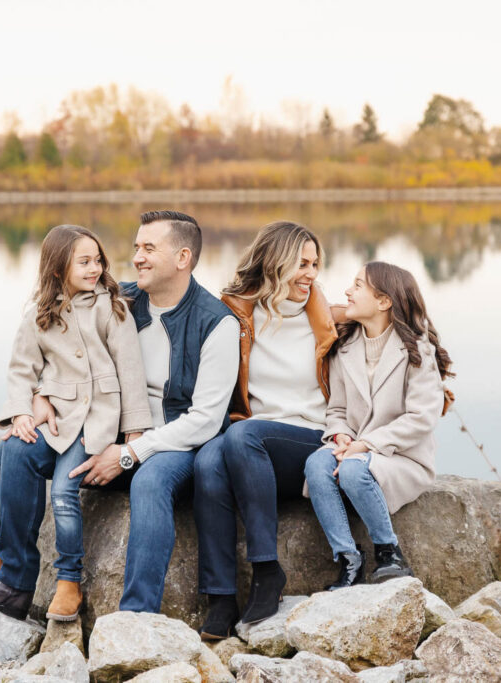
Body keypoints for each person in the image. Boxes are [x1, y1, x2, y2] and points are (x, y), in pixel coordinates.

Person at [0, 224, 151, 620]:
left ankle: (68, 581)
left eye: (98, 260)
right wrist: (22, 410)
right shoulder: (41, 312)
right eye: (84, 262)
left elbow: (131, 372)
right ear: (57, 270)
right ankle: (12, 579)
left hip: (98, 421)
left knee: (64, 493)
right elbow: (22, 369)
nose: (95, 267)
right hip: (60, 416)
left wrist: (134, 437)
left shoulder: (113, 306)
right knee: (10, 454)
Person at [33, 210, 240, 614]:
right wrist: (39, 392)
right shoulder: (117, 298)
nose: (137, 258)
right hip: (108, 429)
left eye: (149, 248)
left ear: (183, 258)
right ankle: (13, 581)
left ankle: (135, 615)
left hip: (178, 447)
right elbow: (46, 330)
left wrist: (129, 454)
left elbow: (205, 420)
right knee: (18, 452)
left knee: (149, 481)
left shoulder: (216, 323)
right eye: (136, 248)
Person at [193, 221, 338, 639]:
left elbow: (397, 333)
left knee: (243, 435)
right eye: (301, 264)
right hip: (251, 450)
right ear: (274, 263)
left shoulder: (329, 320)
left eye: (315, 264)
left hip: (309, 443)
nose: (310, 273)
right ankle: (220, 598)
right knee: (207, 462)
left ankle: (266, 570)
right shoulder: (234, 314)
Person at [304, 262, 454, 590]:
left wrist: (364, 445)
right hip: (354, 448)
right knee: (316, 463)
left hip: (401, 457)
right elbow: (338, 408)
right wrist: (341, 435)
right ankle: (348, 560)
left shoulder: (418, 350)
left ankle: (390, 553)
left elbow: (421, 418)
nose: (348, 291)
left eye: (358, 285)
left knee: (353, 470)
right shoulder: (344, 346)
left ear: (384, 301)